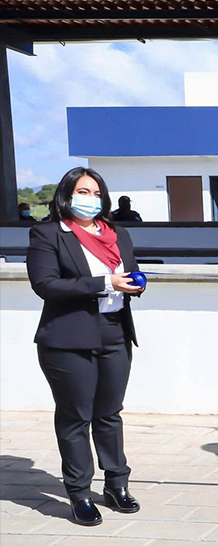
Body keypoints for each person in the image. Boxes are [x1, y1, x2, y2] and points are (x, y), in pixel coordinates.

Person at [26, 167, 145, 527]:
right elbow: (45, 284)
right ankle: (79, 493)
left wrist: (136, 284)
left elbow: (131, 272)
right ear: (66, 195)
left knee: (110, 414)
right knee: (76, 416)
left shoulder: (116, 233)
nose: (90, 199)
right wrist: (105, 282)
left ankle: (116, 485)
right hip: (68, 338)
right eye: (82, 192)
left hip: (114, 332)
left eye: (96, 193)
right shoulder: (49, 233)